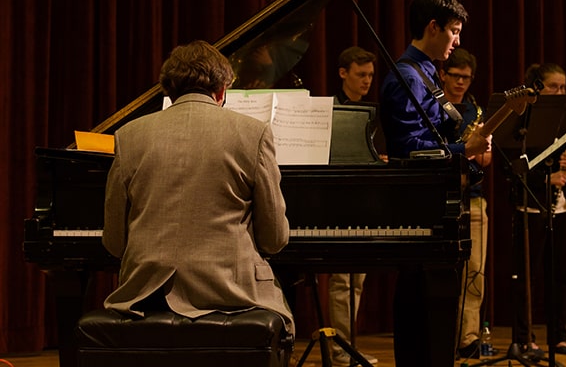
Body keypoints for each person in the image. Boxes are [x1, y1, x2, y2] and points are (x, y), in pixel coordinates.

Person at [102, 40, 294, 336]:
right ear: (222, 91)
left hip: (146, 293)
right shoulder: (254, 134)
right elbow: (274, 239)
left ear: (169, 90)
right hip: (231, 293)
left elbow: (115, 241)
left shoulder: (128, 136)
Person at [380, 0, 491, 366]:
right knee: (420, 302)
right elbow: (411, 149)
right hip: (418, 205)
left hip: (434, 201)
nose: (457, 40)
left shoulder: (426, 72)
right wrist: (466, 149)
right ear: (433, 27)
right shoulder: (408, 77)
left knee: (434, 303)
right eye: (454, 31)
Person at [510, 62, 566, 359]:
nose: (560, 92)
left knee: (558, 275)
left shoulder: (563, 119)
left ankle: (557, 335)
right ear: (537, 86)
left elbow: (563, 160)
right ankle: (524, 337)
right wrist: (545, 177)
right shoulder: (523, 118)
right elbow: (512, 167)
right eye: (554, 86)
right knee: (527, 277)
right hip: (531, 204)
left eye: (563, 87)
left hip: (562, 205)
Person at [439, 48, 493, 360]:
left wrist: (473, 152)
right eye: (456, 76)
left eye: (467, 78)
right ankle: (443, 337)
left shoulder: (476, 111)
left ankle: (468, 338)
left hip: (472, 200)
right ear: (444, 74)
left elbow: (486, 158)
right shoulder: (435, 108)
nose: (461, 82)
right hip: (440, 198)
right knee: (444, 273)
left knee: (475, 273)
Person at [328, 45, 379, 366]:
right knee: (342, 280)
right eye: (361, 74)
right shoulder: (328, 110)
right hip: (335, 201)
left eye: (371, 75)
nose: (367, 81)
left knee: (355, 280)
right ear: (343, 73)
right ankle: (339, 350)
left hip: (364, 200)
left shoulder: (375, 113)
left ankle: (346, 348)